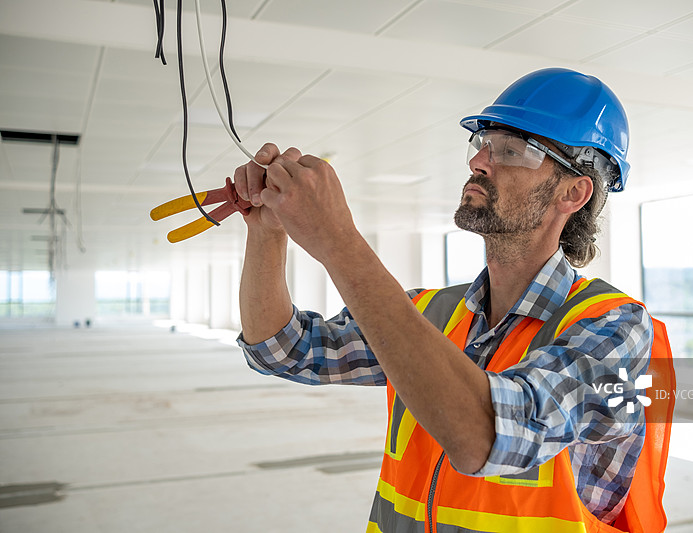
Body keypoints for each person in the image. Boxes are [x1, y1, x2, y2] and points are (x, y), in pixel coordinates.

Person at [234, 68, 670, 533]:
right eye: (482, 145)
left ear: (573, 192)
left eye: (511, 150)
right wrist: (267, 233)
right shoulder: (429, 314)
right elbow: (281, 349)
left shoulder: (614, 331)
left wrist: (338, 240)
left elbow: (485, 437)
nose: (479, 162)